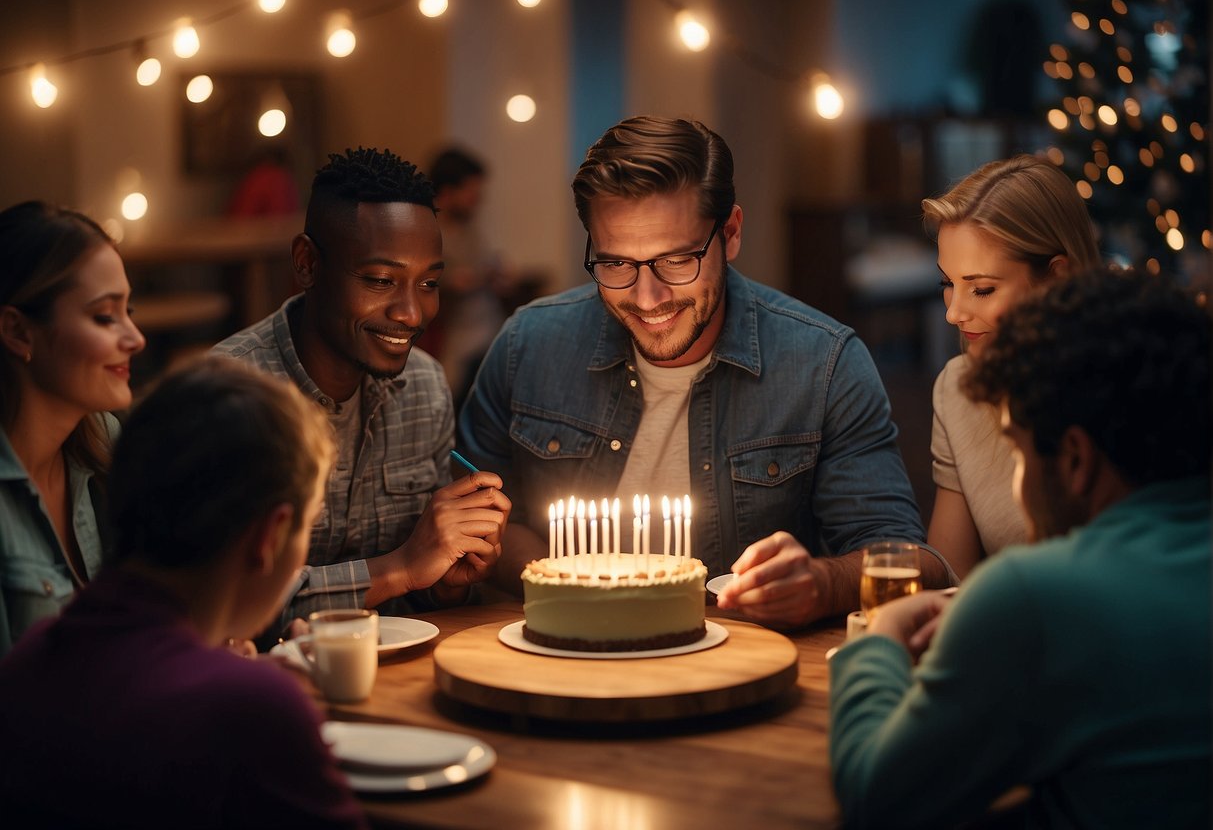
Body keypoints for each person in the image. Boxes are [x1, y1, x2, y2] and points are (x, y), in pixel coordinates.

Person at [458, 116, 953, 628]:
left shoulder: (823, 363)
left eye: (676, 261)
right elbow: (482, 518)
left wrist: (823, 583)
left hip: (740, 672)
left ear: (731, 233)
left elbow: (909, 559)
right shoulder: (527, 345)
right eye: (617, 264)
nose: (647, 299)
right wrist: (566, 588)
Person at [829, 267, 1211, 828]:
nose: (1019, 484)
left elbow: (875, 795)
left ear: (1075, 460)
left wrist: (880, 639)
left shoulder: (1036, 597)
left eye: (1018, 451)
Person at [0, 358, 367, 828]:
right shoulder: (255, 709)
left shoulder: (26, 663)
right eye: (307, 524)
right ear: (270, 537)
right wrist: (262, 700)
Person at [213, 147, 510, 639]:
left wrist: (449, 578)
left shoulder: (425, 387)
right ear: (307, 264)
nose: (412, 313)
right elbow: (226, 601)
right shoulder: (228, 399)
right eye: (380, 280)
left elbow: (423, 593)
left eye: (429, 282)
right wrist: (399, 568)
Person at [923, 155, 1101, 579]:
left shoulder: (1126, 388)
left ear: (1057, 278)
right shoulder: (957, 388)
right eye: (949, 284)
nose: (954, 314)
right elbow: (953, 580)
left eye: (982, 289)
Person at [0, 200, 146, 656]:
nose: (135, 338)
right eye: (105, 316)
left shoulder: (104, 438)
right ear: (19, 332)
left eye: (129, 311)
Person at [420, 146, 510, 409]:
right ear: (448, 192)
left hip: (486, 335)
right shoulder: (426, 231)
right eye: (472, 193)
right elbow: (438, 283)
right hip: (453, 343)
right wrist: (468, 279)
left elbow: (486, 265)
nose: (478, 200)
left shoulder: (470, 229)